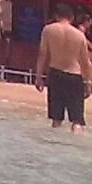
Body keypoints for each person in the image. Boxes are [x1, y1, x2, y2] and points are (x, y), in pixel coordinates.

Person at [37, 3, 92, 131]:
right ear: (71, 17)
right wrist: (88, 83)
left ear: (56, 16)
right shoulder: (79, 35)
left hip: (55, 75)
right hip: (74, 76)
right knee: (77, 121)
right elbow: (85, 63)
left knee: (56, 119)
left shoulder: (48, 30)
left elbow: (42, 54)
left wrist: (38, 77)